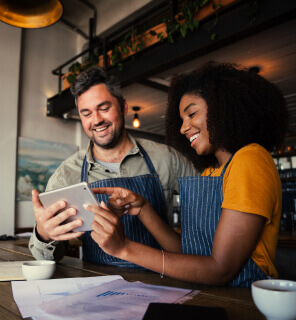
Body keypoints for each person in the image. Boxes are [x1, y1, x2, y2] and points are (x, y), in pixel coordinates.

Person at [82, 61, 289, 287]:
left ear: (223, 108)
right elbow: (187, 254)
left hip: (243, 300)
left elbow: (221, 269)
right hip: (208, 297)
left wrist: (124, 248)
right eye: (181, 120)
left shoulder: (251, 160)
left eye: (191, 114)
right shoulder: (212, 172)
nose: (183, 128)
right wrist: (143, 209)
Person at [29, 67, 199, 268]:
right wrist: (44, 234)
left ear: (124, 107)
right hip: (97, 285)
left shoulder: (167, 158)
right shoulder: (66, 175)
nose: (97, 120)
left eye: (104, 108)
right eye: (86, 113)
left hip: (166, 281)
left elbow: (207, 216)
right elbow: (47, 259)